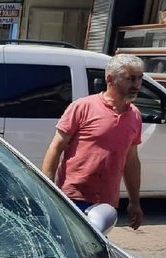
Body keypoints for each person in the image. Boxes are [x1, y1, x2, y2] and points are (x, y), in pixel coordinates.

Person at [42, 54, 144, 230]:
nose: (136, 85)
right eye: (130, 79)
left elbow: (131, 160)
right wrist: (47, 188)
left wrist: (135, 202)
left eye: (139, 79)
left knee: (92, 253)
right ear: (110, 79)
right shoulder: (82, 107)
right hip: (72, 197)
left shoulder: (134, 115)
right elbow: (55, 147)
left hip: (105, 203)